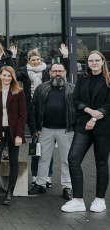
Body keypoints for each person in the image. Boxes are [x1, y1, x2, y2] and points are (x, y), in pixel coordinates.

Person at [62, 51, 110, 213]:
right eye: (91, 60)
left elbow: (109, 104)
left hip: (103, 127)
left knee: (101, 163)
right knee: (73, 159)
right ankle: (78, 200)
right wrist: (90, 112)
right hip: (84, 125)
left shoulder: (109, 79)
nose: (94, 63)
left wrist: (95, 118)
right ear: (87, 62)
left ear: (103, 62)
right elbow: (75, 100)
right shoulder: (83, 78)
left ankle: (100, 199)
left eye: (97, 60)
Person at [14, 45, 69, 187]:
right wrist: (13, 58)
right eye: (33, 60)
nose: (36, 62)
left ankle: (48, 176)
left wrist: (65, 57)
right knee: (36, 147)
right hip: (31, 111)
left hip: (43, 109)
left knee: (47, 149)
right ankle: (36, 175)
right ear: (28, 61)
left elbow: (61, 72)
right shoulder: (24, 72)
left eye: (38, 59)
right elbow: (13, 73)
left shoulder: (47, 71)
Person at [28, 62, 75, 200]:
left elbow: (77, 110)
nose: (58, 73)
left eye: (60, 71)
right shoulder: (41, 88)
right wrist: (34, 129)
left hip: (66, 130)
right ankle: (40, 184)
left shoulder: (72, 89)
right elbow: (33, 109)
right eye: (55, 71)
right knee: (43, 159)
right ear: (49, 73)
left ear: (65, 72)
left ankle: (68, 187)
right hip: (45, 129)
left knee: (67, 160)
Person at [0, 66, 26, 206]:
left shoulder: (19, 92)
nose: (7, 78)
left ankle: (10, 192)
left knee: (13, 161)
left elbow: (22, 115)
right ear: (0, 76)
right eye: (4, 75)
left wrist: (19, 135)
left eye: (9, 76)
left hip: (13, 132)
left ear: (12, 77)